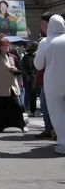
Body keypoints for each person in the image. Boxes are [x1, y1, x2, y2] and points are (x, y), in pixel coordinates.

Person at [34, 14, 65, 154]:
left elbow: (38, 65)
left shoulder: (45, 42)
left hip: (53, 82)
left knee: (57, 113)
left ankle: (63, 143)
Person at [0, 37, 27, 133]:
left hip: (11, 86)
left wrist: (15, 70)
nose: (6, 47)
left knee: (16, 106)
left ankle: (21, 125)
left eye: (7, 45)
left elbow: (21, 71)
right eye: (3, 45)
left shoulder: (13, 57)